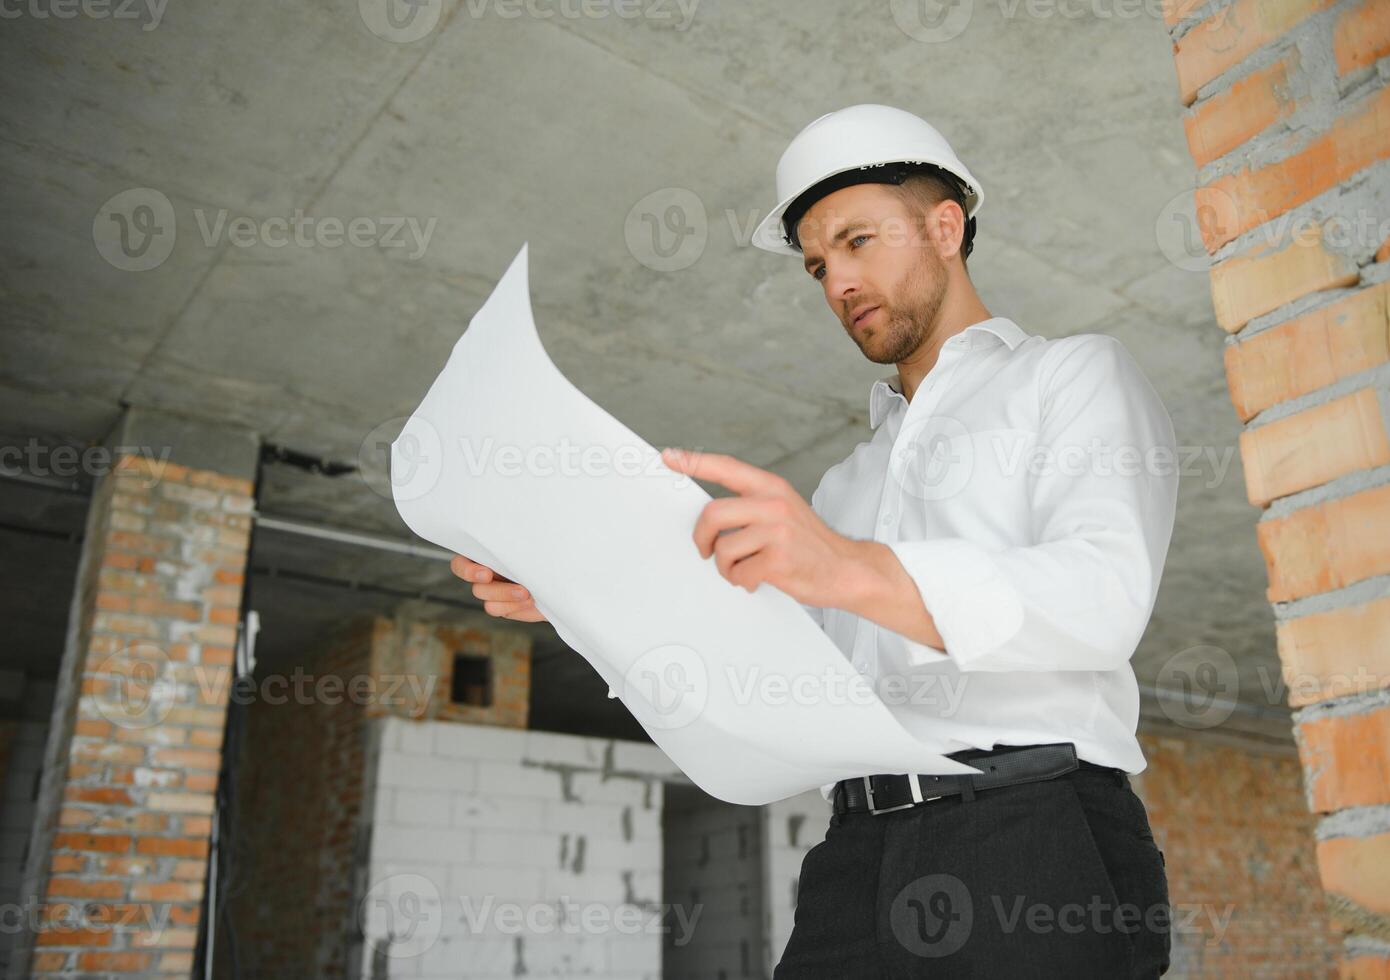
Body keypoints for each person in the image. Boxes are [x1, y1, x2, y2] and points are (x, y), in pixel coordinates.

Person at [450, 103, 1176, 978]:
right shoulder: (844, 486)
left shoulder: (1069, 376)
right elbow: (773, 680)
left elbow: (1100, 601)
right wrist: (582, 598)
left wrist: (849, 567)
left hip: (1028, 829)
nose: (837, 282)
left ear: (944, 227)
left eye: (858, 241)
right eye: (818, 264)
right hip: (854, 851)